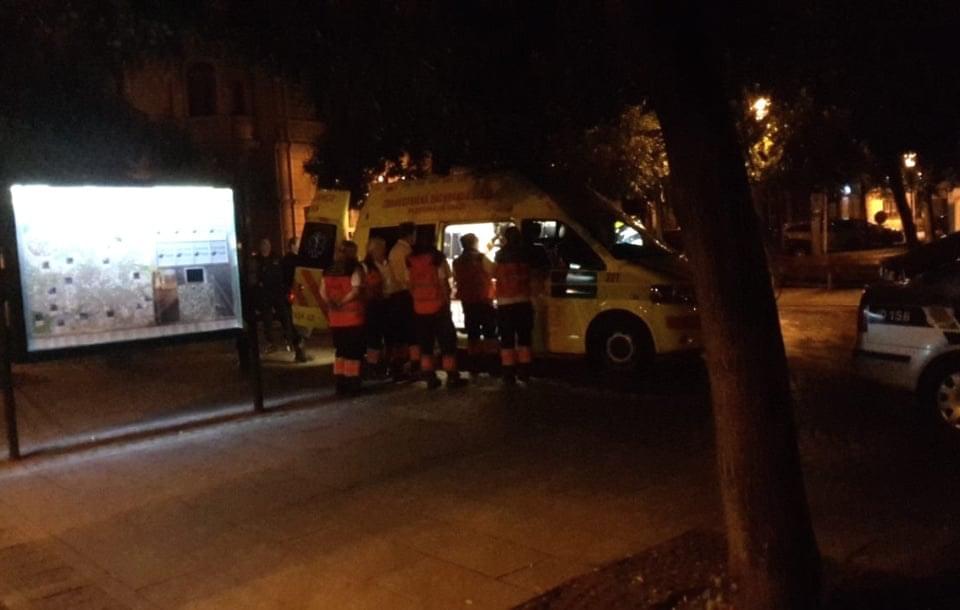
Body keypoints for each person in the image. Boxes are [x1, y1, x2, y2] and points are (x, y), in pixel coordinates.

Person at [407, 232, 466, 389]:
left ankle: (429, 377)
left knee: (426, 345)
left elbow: (410, 284)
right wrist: (447, 302)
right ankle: (452, 375)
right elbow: (443, 282)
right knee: (447, 343)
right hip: (438, 306)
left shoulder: (410, 260)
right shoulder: (437, 258)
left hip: (419, 308)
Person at [494, 226, 548, 385]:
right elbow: (538, 273)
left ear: (506, 238)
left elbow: (493, 273)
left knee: (507, 340)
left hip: (504, 303)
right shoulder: (526, 254)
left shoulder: (500, 255)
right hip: (523, 302)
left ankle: (508, 373)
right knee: (524, 339)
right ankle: (525, 372)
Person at [320, 241, 366, 394]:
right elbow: (356, 291)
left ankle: (340, 384)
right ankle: (353, 384)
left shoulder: (328, 270)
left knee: (340, 352)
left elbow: (322, 292)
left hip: (335, 319)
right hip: (353, 318)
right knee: (353, 353)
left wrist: (331, 304)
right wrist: (342, 302)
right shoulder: (355, 269)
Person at [452, 233, 497, 376]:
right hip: (484, 300)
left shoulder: (457, 261)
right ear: (474, 243)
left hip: (468, 302)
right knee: (490, 333)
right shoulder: (481, 258)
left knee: (473, 334)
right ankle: (492, 365)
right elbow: (494, 271)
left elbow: (456, 278)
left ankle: (474, 366)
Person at [385, 222, 419, 380]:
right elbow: (407, 277)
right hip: (405, 295)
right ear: (410, 234)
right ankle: (406, 368)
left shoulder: (394, 250)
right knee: (410, 335)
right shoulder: (406, 251)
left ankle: (398, 368)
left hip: (396, 296)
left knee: (400, 336)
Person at [362, 237, 392, 377]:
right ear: (372, 250)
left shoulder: (386, 264)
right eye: (380, 248)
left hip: (386, 302)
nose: (383, 251)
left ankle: (384, 364)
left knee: (387, 335)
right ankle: (373, 366)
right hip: (372, 304)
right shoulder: (365, 267)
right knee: (373, 337)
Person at [281, 237, 310, 363]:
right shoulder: (297, 260)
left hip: (289, 293)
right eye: (298, 243)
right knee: (300, 321)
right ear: (293, 245)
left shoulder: (284, 260)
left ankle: (299, 349)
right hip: (296, 292)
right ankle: (300, 347)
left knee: (294, 320)